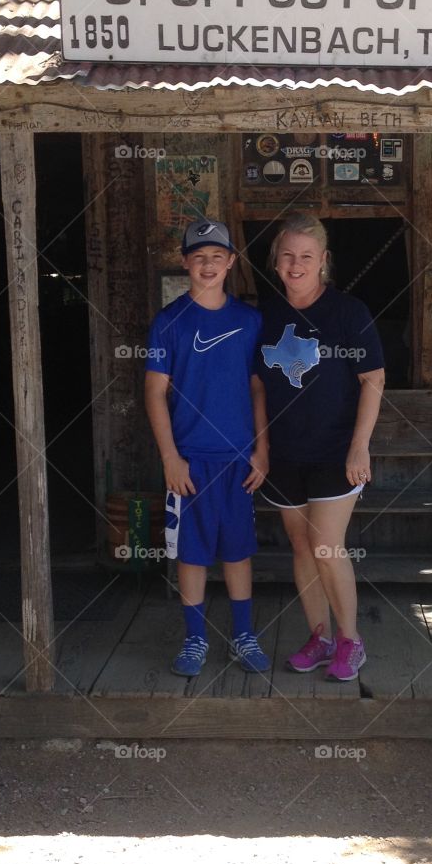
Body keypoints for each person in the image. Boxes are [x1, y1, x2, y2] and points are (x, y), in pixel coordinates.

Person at [258, 212, 385, 681]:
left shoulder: (348, 313)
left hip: (336, 451)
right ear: (276, 261)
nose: (296, 264)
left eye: (306, 256)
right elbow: (256, 385)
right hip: (286, 454)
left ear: (323, 261)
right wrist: (262, 446)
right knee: (301, 546)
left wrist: (360, 447)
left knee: (326, 545)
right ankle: (320, 636)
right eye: (288, 255)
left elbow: (373, 378)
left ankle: (351, 640)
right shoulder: (266, 316)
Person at [144, 219, 270, 677]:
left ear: (232, 262)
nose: (208, 264)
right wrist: (170, 457)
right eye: (199, 256)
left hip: (238, 458)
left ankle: (243, 635)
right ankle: (195, 639)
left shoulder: (249, 320)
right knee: (192, 554)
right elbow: (154, 392)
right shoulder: (169, 321)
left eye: (218, 256)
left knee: (237, 551)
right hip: (189, 460)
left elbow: (259, 389)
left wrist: (262, 449)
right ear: (184, 263)